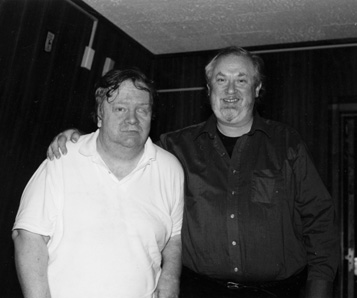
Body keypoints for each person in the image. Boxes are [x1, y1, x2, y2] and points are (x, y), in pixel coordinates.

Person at [47, 47, 339, 298]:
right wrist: (81, 138)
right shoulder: (174, 147)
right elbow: (126, 147)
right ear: (209, 89)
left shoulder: (287, 143)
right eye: (221, 80)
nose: (231, 91)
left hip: (278, 292)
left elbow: (321, 225)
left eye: (242, 80)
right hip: (199, 291)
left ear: (258, 89)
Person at [12, 68, 184, 298]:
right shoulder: (64, 157)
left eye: (142, 109)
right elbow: (28, 235)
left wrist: (170, 279)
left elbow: (174, 236)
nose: (132, 119)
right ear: (100, 115)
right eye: (120, 108)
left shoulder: (170, 168)